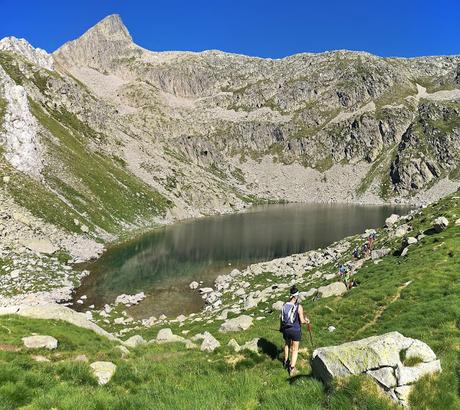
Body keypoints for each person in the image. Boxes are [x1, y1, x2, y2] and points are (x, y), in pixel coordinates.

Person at [279, 285, 311, 376]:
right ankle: (292, 368)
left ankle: (285, 361)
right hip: (295, 330)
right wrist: (307, 321)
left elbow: (281, 318)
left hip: (285, 329)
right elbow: (302, 321)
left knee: (287, 344)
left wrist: (281, 327)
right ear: (296, 296)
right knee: (295, 349)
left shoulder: (284, 305)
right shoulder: (298, 306)